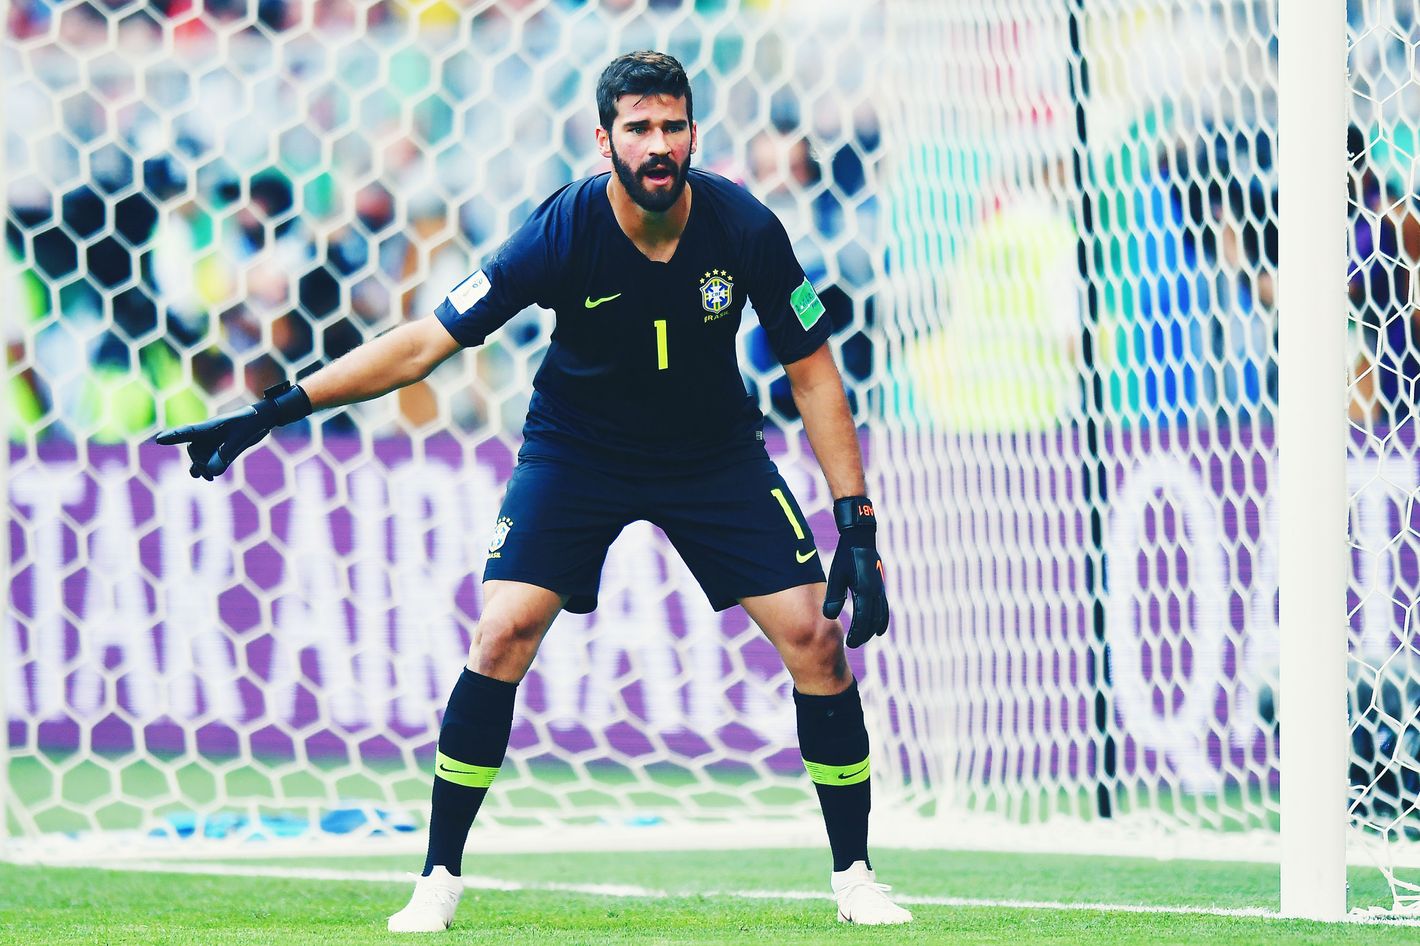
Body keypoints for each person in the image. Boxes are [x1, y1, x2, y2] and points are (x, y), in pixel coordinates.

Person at [155, 51, 911, 932]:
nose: (657, 145)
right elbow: (423, 345)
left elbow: (814, 373)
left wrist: (855, 518)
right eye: (638, 129)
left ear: (694, 135)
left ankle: (855, 877)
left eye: (672, 127)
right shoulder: (561, 230)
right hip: (578, 449)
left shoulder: (745, 228)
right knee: (503, 629)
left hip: (712, 453)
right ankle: (437, 879)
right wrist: (273, 410)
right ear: (605, 141)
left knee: (818, 639)